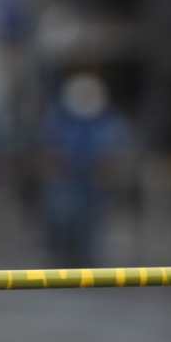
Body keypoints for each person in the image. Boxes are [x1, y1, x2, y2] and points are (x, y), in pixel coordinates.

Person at [41, 74, 131, 267]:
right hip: (66, 184)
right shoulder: (59, 119)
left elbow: (117, 153)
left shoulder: (108, 122)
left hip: (95, 187)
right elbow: (49, 152)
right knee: (63, 225)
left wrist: (108, 169)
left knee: (92, 230)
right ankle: (62, 262)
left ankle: (87, 264)